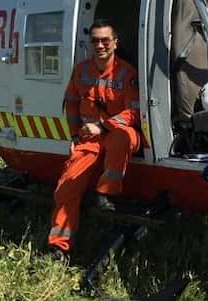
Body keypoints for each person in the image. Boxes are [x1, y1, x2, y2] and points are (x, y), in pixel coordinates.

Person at [48, 20, 141, 255]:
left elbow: (134, 112)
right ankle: (59, 246)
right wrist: (73, 135)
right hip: (88, 139)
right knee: (67, 186)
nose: (100, 45)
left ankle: (106, 193)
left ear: (115, 43)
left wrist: (103, 126)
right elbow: (70, 103)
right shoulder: (81, 71)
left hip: (116, 133)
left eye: (105, 40)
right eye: (95, 41)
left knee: (122, 136)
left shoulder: (127, 73)